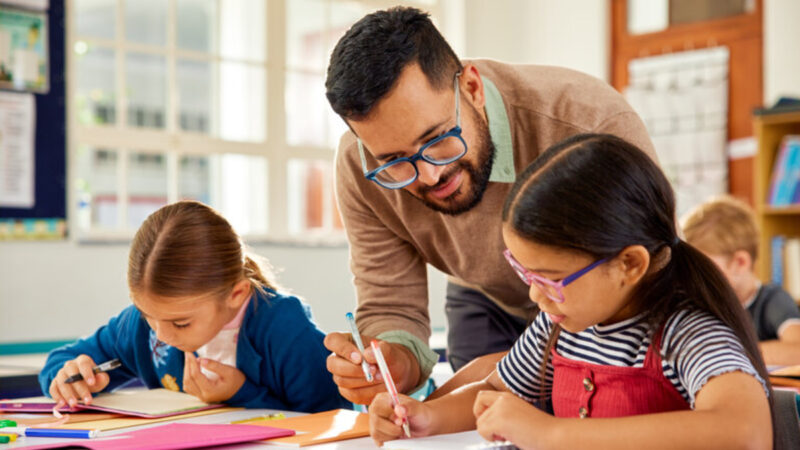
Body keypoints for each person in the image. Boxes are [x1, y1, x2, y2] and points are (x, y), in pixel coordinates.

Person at [323, 6, 657, 405]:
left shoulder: (590, 123)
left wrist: (505, 379)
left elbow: (645, 283)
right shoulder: (360, 168)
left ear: (472, 89)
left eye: (437, 139)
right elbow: (389, 302)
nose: (429, 175)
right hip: (485, 295)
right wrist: (392, 363)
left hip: (605, 310)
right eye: (396, 161)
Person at [368, 134, 774, 449]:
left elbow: (745, 432)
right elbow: (494, 391)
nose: (535, 297)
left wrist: (551, 435)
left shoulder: (684, 333)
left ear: (629, 264)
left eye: (550, 279)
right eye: (524, 273)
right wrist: (427, 417)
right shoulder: (561, 325)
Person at [39, 201, 349, 413]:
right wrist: (66, 377)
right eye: (149, 317)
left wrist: (241, 394)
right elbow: (61, 361)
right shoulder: (140, 325)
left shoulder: (286, 330)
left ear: (236, 294)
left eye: (181, 324)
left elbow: (332, 422)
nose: (162, 334)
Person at [682, 195, 800, 365]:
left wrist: (727, 353)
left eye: (702, 268)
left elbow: (797, 351)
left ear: (740, 262)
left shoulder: (772, 300)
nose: (692, 278)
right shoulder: (703, 306)